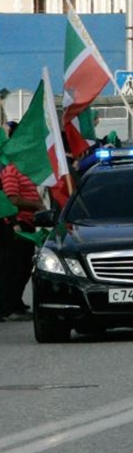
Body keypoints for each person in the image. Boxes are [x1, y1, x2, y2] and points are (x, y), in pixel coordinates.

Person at [1, 121, 40, 322]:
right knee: (13, 266)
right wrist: (35, 206)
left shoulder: (23, 169)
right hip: (16, 223)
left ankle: (15, 303)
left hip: (27, 223)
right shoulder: (9, 170)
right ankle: (9, 306)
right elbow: (11, 198)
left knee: (24, 265)